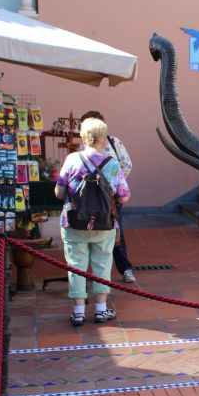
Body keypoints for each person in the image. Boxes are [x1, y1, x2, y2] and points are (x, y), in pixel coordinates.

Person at [55, 117, 130, 326]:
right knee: (102, 264)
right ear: (103, 139)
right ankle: (100, 310)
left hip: (74, 222)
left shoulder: (72, 159)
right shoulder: (112, 164)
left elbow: (59, 191)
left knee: (75, 266)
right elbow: (124, 196)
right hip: (104, 223)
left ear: (83, 137)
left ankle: (78, 312)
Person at [79, 110, 136, 283]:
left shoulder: (114, 142)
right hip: (90, 197)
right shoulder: (82, 148)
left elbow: (126, 164)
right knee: (90, 231)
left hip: (112, 197)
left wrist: (115, 186)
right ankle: (96, 273)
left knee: (116, 232)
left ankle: (125, 269)